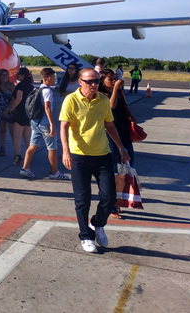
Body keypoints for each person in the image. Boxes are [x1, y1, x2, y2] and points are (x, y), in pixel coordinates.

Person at [60, 68, 131, 253]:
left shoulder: (103, 100)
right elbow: (64, 126)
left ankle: (97, 224)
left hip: (102, 154)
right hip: (79, 156)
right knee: (82, 199)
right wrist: (66, 152)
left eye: (96, 81)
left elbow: (110, 125)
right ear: (80, 82)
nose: (93, 85)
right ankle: (85, 236)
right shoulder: (71, 100)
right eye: (89, 81)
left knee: (109, 198)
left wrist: (122, 148)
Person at [20, 68, 70, 180]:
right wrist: (52, 124)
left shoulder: (37, 88)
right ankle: (54, 172)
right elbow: (47, 108)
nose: (55, 80)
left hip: (35, 121)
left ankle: (25, 168)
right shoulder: (47, 91)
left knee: (33, 145)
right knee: (52, 147)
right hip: (45, 123)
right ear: (48, 78)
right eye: (53, 78)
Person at [99, 68, 135, 219]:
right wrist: (115, 89)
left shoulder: (119, 92)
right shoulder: (101, 95)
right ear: (102, 81)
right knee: (113, 168)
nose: (114, 81)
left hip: (123, 130)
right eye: (110, 79)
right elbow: (111, 107)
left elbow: (124, 107)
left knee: (128, 163)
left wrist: (131, 117)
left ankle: (120, 198)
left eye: (115, 78)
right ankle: (111, 205)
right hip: (110, 133)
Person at [4, 67, 34, 165]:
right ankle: (30, 155)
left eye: (18, 75)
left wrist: (11, 109)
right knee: (27, 136)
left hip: (20, 113)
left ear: (22, 76)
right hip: (29, 113)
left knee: (17, 136)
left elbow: (18, 98)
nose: (17, 76)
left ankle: (18, 156)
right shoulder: (31, 86)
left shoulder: (20, 86)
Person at [0, 69, 14, 157]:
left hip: (9, 110)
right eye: (2, 75)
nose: (4, 77)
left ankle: (16, 151)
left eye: (6, 75)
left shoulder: (11, 85)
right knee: (2, 131)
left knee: (12, 131)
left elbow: (15, 98)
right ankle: (2, 149)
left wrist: (9, 109)